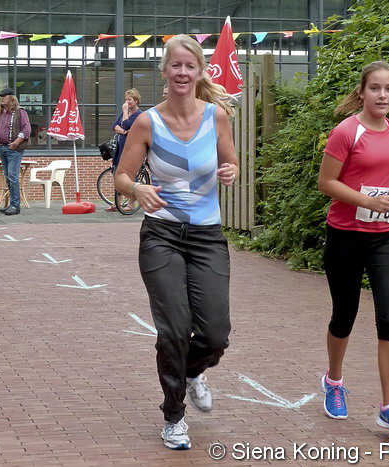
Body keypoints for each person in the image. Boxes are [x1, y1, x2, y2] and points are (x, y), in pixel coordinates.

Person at [115, 34, 238, 450]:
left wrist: (231, 172)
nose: (182, 72)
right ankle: (174, 417)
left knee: (216, 333)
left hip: (206, 237)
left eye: (190, 65)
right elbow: (122, 177)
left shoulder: (216, 117)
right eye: (175, 65)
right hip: (162, 235)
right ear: (164, 71)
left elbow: (230, 161)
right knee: (174, 330)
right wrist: (137, 190)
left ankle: (193, 370)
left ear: (200, 71)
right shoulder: (147, 122)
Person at [317, 61, 389, 439]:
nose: (383, 95)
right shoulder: (346, 132)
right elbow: (326, 182)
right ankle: (334, 381)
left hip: (385, 238)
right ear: (362, 92)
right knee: (344, 316)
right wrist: (364, 200)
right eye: (375, 88)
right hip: (345, 236)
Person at [106, 88, 143, 212]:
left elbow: (127, 124)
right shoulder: (125, 113)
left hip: (131, 148)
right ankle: (117, 203)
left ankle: (131, 204)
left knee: (130, 176)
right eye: (126, 99)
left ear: (136, 101)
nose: (126, 102)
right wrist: (124, 132)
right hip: (120, 147)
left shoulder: (139, 115)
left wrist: (124, 112)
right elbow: (115, 125)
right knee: (117, 174)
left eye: (129, 99)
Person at [0, 88, 30, 216]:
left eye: (4, 96)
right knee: (8, 177)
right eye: (1, 96)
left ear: (11, 98)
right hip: (3, 148)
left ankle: (15, 205)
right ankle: (12, 203)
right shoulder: (3, 113)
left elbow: (26, 129)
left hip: (13, 149)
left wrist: (16, 142)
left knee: (13, 177)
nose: (2, 98)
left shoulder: (20, 112)